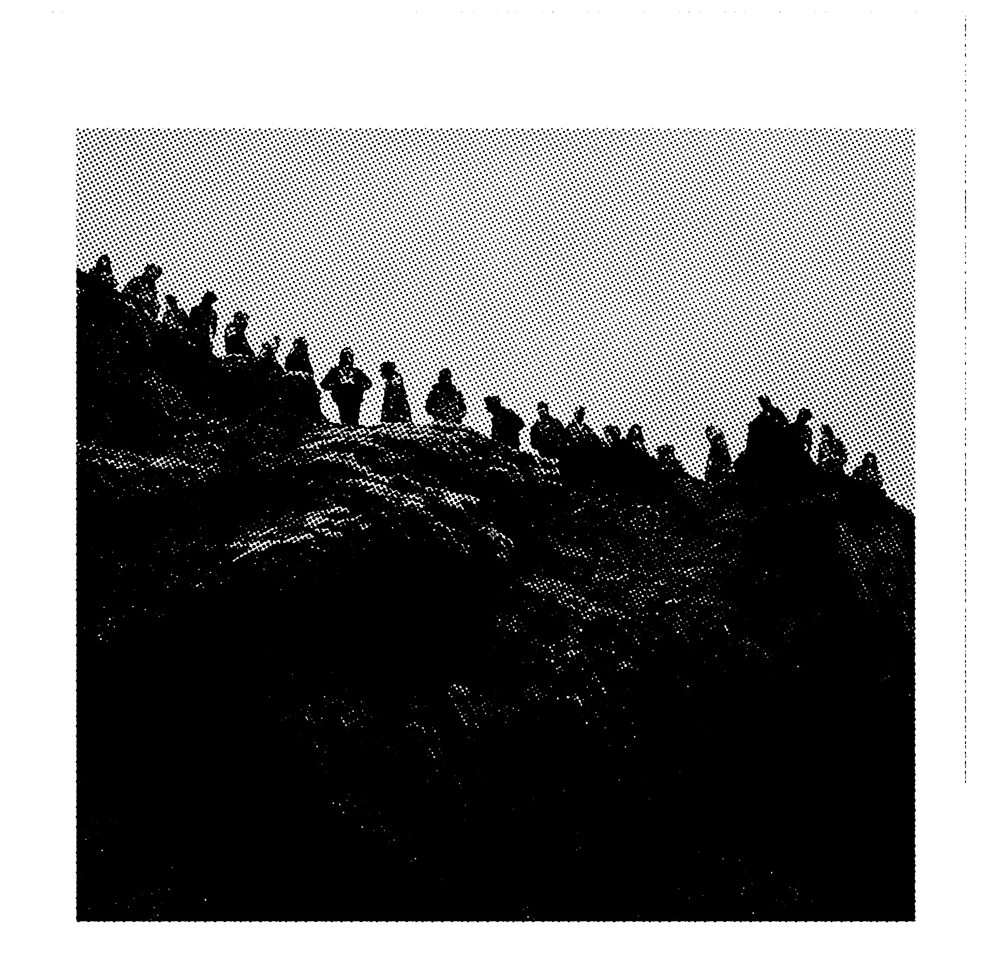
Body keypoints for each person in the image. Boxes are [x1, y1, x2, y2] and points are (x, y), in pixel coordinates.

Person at [320, 347, 373, 427]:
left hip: (355, 397)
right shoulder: (335, 372)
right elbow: (324, 384)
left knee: (354, 417)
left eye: (350, 356)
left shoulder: (356, 372)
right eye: (346, 356)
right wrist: (335, 386)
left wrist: (360, 387)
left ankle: (353, 429)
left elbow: (368, 383)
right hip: (342, 397)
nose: (348, 359)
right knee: (344, 416)